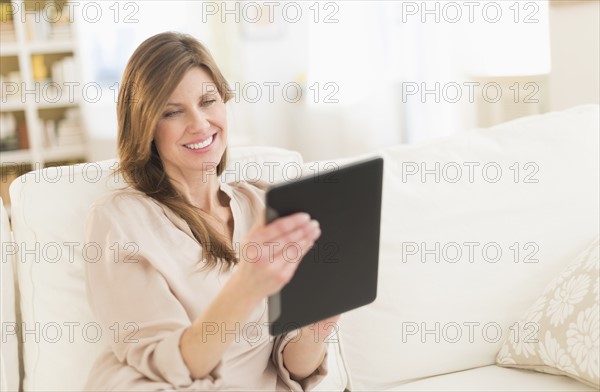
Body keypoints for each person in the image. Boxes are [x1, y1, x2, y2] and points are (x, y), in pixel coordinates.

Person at [84, 32, 339, 391]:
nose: (200, 124)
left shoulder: (262, 204)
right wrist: (248, 284)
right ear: (145, 127)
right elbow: (174, 365)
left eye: (208, 101)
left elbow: (295, 367)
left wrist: (328, 307)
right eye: (173, 112)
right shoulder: (120, 220)